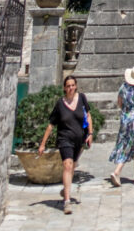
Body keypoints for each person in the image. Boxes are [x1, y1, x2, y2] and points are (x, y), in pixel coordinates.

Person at [38, 75, 93, 215]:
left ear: (76, 86)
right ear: (64, 88)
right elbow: (51, 125)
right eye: (68, 86)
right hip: (64, 139)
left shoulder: (82, 99)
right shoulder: (60, 104)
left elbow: (88, 115)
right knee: (67, 165)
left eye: (72, 85)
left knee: (73, 165)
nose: (70, 88)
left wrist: (90, 134)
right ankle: (67, 201)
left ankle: (65, 190)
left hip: (79, 140)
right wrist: (42, 144)